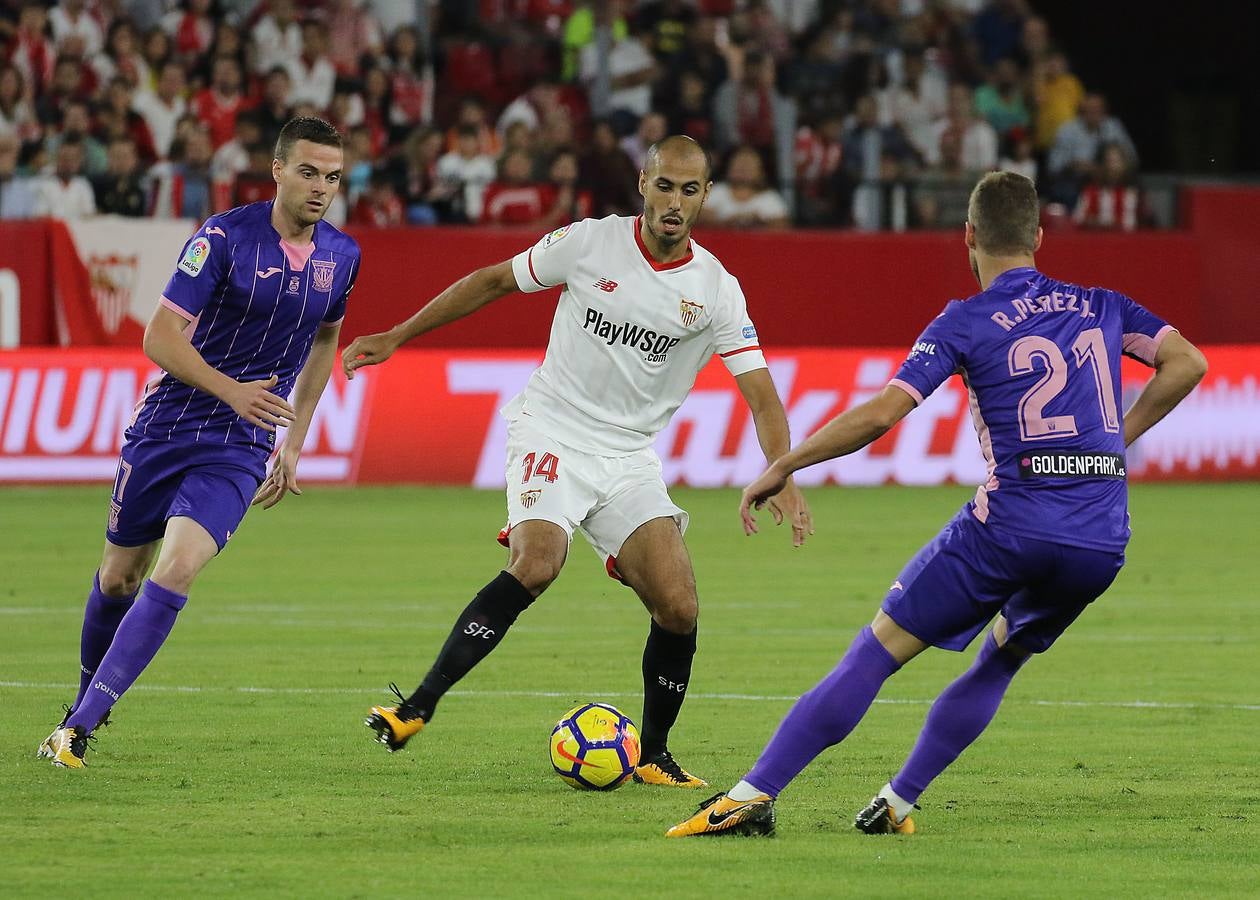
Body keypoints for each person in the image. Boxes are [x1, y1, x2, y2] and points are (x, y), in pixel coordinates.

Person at [666, 170, 1207, 837]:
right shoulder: (1103, 304)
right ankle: (897, 803)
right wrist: (1115, 441)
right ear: (1038, 236)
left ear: (969, 239)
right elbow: (1188, 363)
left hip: (1013, 523)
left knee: (877, 650)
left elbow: (883, 413)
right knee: (1003, 658)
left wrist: (786, 462)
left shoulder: (966, 320)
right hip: (1100, 536)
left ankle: (750, 796)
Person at [343, 135, 812, 789]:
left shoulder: (716, 291)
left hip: (626, 457)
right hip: (552, 431)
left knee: (678, 605)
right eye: (664, 185)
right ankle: (416, 706)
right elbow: (492, 282)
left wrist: (781, 473)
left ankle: (654, 754)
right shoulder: (590, 243)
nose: (674, 202)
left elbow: (761, 395)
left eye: (689, 189)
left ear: (705, 197)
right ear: (643, 183)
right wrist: (397, 334)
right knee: (538, 562)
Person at [39, 117, 361, 769]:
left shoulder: (342, 257)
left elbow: (326, 338)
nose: (320, 188)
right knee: (119, 575)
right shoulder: (224, 237)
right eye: (308, 172)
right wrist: (231, 388)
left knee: (178, 567)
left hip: (238, 446)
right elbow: (158, 337)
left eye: (332, 176)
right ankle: (77, 710)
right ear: (276, 170)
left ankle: (80, 728)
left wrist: (293, 440)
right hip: (166, 426)